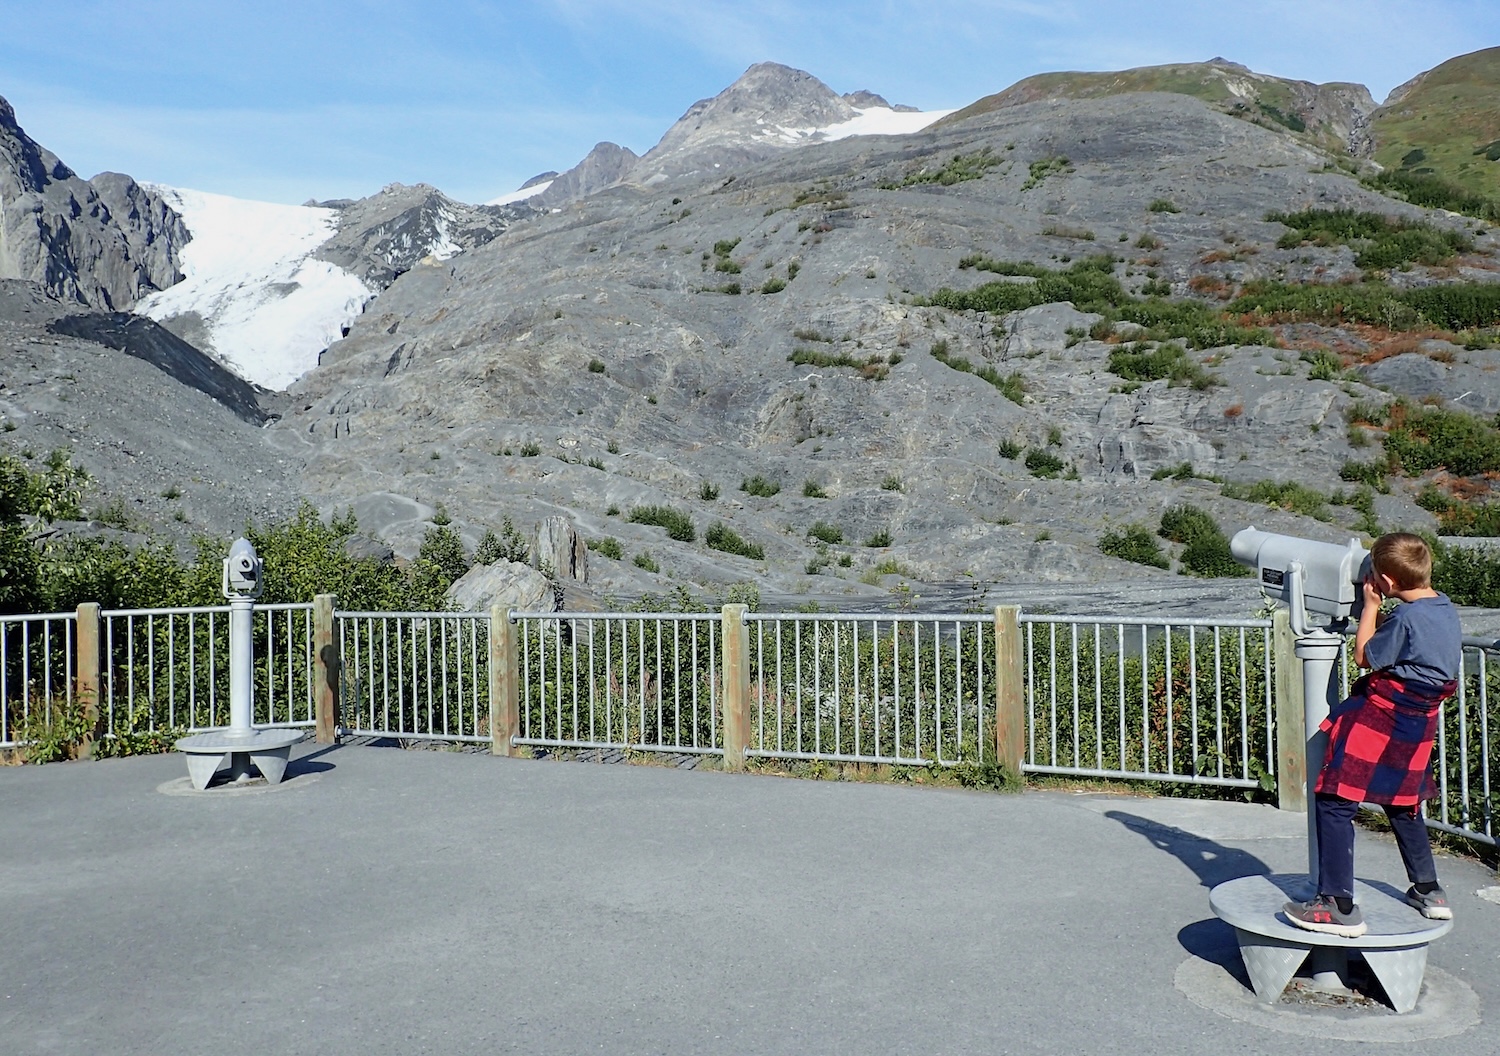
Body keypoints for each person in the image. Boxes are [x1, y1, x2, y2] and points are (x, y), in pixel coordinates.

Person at [1283, 532, 1462, 938]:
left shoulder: (1403, 616)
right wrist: (1382, 613)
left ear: (1386, 581)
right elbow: (1408, 646)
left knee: (1334, 798)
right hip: (1419, 722)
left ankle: (1336, 905)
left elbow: (1364, 656)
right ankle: (1430, 891)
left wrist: (1369, 606)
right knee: (1403, 802)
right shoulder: (1444, 609)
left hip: (1382, 716)